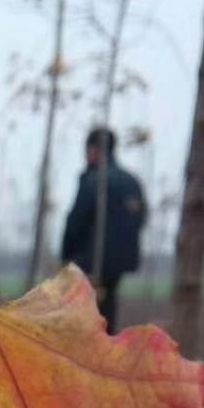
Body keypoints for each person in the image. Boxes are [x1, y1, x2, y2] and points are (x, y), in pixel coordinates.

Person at [61, 126, 147, 333]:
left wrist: (66, 258)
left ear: (92, 150)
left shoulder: (93, 180)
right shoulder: (131, 181)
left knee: (83, 318)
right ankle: (107, 353)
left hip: (89, 262)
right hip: (121, 262)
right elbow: (141, 218)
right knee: (107, 310)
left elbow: (75, 222)